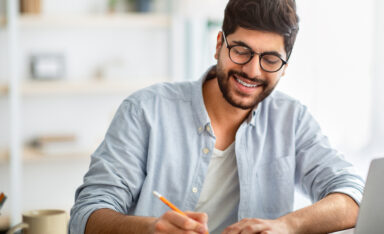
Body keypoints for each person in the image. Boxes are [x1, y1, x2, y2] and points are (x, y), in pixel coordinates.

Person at [69, 0, 365, 233]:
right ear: (218, 45)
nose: (252, 70)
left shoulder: (292, 119)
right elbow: (86, 216)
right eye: (241, 51)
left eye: (270, 59)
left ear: (285, 67)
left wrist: (287, 225)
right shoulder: (145, 111)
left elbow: (354, 195)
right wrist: (150, 229)